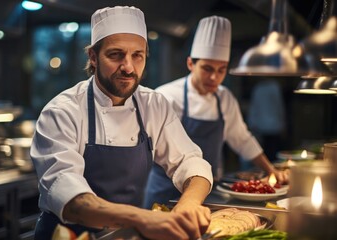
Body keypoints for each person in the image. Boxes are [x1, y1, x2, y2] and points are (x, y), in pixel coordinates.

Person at [31, 6, 214, 240]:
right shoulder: (62, 112)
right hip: (66, 234)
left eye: (137, 55)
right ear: (93, 57)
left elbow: (190, 161)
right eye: (116, 54)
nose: (128, 67)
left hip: (124, 234)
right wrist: (143, 218)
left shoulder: (153, 104)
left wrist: (188, 203)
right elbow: (71, 200)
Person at [143, 16, 289, 209]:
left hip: (207, 192)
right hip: (163, 191)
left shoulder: (224, 98)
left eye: (221, 70)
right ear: (190, 64)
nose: (214, 77)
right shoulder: (166, 96)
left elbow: (241, 139)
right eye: (207, 69)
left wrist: (271, 171)